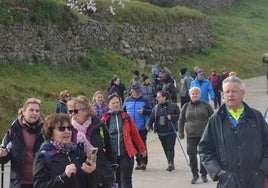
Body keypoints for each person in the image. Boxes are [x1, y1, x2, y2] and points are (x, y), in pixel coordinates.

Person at [199, 76, 268, 188]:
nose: (230, 94)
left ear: (242, 94)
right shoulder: (215, 120)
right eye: (227, 92)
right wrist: (218, 172)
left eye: (234, 91)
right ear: (222, 95)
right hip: (228, 182)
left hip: (255, 181)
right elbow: (204, 149)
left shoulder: (256, 117)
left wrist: (263, 169)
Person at [33, 113, 96, 188]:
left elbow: (90, 183)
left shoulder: (76, 151)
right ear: (50, 133)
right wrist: (63, 177)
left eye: (69, 128)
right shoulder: (43, 156)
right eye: (61, 129)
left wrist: (92, 171)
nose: (67, 131)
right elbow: (39, 186)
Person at [67, 96, 117, 188]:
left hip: (101, 175)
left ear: (86, 111)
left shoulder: (99, 125)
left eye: (75, 111)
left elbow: (110, 148)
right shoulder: (68, 129)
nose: (72, 114)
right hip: (79, 177)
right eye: (70, 111)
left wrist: (113, 170)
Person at [101, 93, 146, 188]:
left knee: (126, 180)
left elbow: (135, 134)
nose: (116, 104)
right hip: (112, 157)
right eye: (113, 103)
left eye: (117, 102)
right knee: (115, 181)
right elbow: (101, 139)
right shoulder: (104, 120)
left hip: (126, 154)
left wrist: (142, 148)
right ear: (108, 105)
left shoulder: (127, 117)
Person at [0, 98, 44, 188]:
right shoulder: (14, 130)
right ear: (23, 112)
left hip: (40, 182)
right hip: (18, 183)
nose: (35, 113)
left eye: (37, 111)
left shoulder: (45, 130)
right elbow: (4, 155)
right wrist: (3, 154)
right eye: (31, 110)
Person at [178, 87, 214, 184]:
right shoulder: (186, 106)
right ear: (190, 95)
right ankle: (195, 174)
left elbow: (213, 119)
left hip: (204, 134)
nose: (194, 95)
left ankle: (204, 174)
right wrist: (180, 132)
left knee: (203, 154)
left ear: (199, 95)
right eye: (193, 94)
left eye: (196, 94)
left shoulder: (205, 105)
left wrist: (213, 132)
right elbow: (181, 120)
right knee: (192, 154)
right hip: (191, 135)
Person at [146, 90, 180, 171]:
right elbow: (152, 118)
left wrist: (172, 117)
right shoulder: (156, 107)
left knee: (170, 147)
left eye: (159, 97)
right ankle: (169, 161)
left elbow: (179, 115)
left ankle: (170, 163)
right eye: (157, 97)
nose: (157, 98)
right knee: (165, 147)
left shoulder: (174, 105)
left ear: (164, 97)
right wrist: (148, 125)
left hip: (171, 130)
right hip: (160, 132)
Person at [123, 83, 152, 170]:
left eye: (137, 91)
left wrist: (144, 111)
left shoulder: (145, 100)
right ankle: (138, 161)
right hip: (130, 128)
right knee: (133, 145)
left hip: (141, 127)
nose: (135, 93)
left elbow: (151, 111)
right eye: (133, 91)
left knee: (142, 144)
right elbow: (122, 111)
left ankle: (144, 162)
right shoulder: (127, 100)